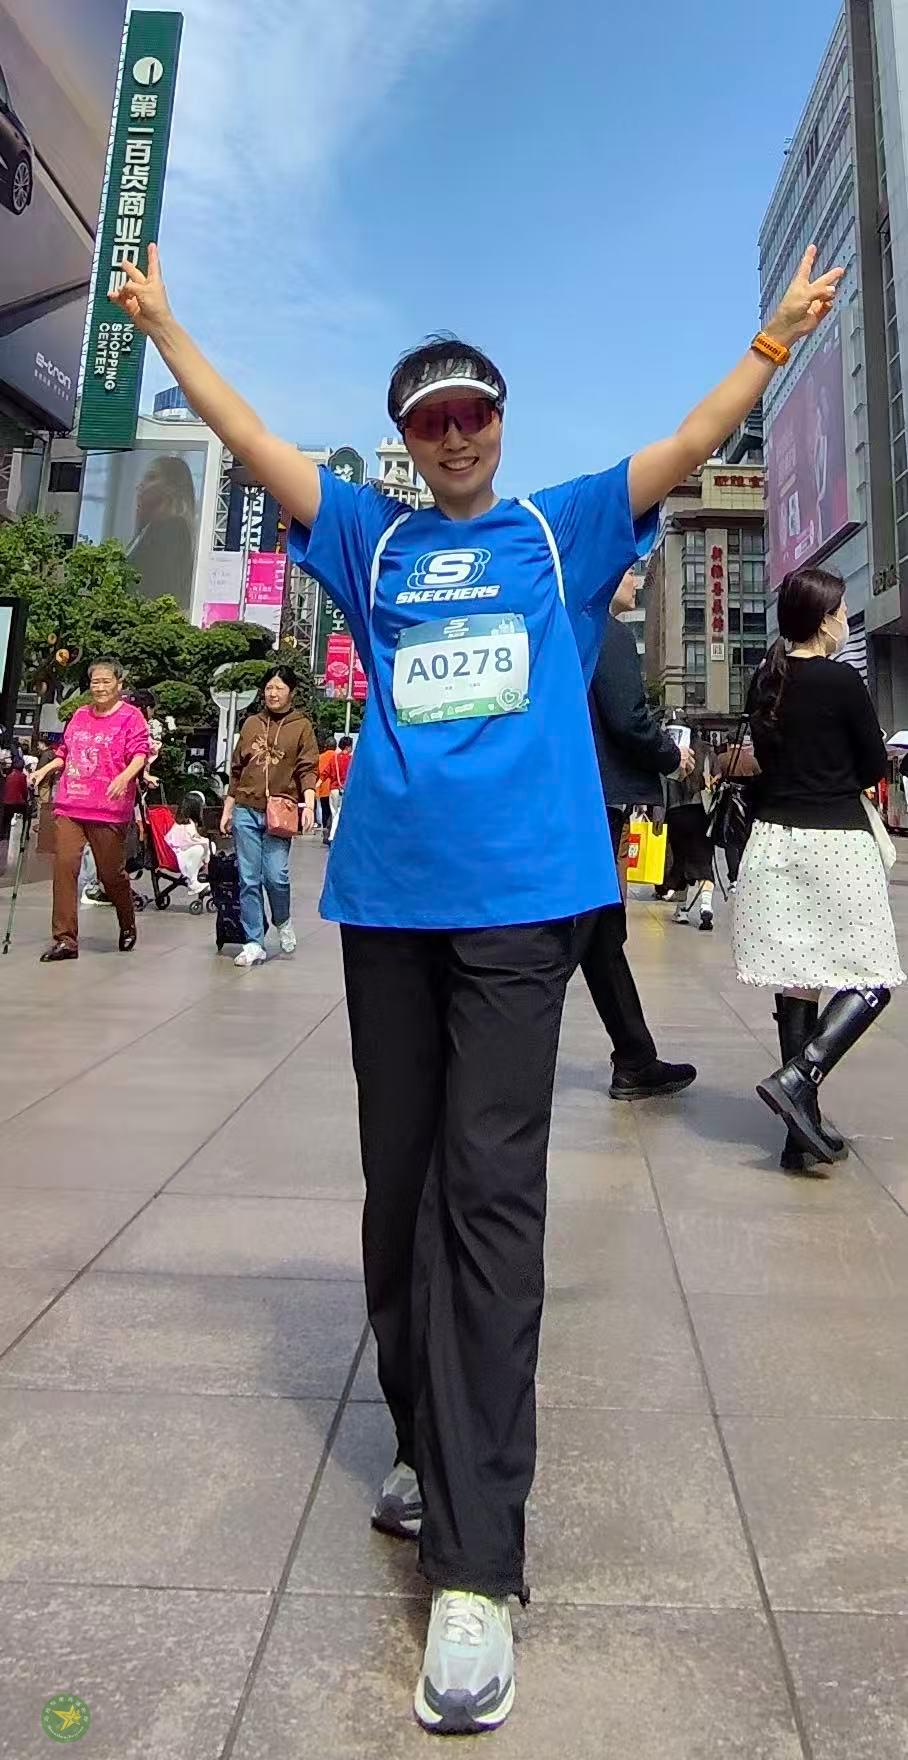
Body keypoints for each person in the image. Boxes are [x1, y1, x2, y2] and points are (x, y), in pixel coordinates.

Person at [112, 235, 843, 1736]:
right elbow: (249, 437)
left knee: (491, 1197)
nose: (454, 435)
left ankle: (476, 1562)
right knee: (399, 1194)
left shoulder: (562, 528)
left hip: (521, 912)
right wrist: (168, 330)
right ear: (408, 435)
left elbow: (690, 441)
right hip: (388, 906)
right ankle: (420, 1437)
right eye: (430, 418)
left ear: (501, 422)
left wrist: (772, 345)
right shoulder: (368, 540)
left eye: (473, 413)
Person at [733, 566, 904, 1171]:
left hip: (774, 843)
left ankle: (796, 1131)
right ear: (826, 620)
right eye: (841, 612)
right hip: (837, 844)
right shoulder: (841, 680)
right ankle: (800, 1076)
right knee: (873, 978)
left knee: (797, 980)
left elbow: (768, 760)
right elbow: (873, 765)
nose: (846, 621)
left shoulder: (767, 681)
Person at [577, 569, 697, 1099]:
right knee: (573, 934)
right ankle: (497, 1055)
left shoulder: (571, 627)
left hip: (577, 797)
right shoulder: (606, 632)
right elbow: (628, 719)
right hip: (595, 803)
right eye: (630, 570)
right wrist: (672, 755)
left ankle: (635, 1057)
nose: (638, 582)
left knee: (601, 935)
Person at [31, 659, 150, 961]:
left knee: (110, 875)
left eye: (106, 681)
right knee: (64, 867)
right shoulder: (80, 715)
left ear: (119, 684)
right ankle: (65, 940)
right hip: (71, 804)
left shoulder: (131, 717)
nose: (100, 687)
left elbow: (140, 754)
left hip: (108, 807)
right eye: (95, 682)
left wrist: (124, 777)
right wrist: (44, 770)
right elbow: (65, 753)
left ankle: (127, 920)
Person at [220, 665, 318, 966]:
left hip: (280, 812)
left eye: (279, 688)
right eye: (269, 688)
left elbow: (308, 768)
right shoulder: (251, 723)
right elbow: (237, 770)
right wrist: (228, 807)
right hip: (246, 809)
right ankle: (253, 942)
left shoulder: (301, 726)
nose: (273, 694)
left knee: (276, 876)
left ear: (291, 692)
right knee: (248, 878)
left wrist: (309, 805)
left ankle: (282, 919)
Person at [126, 454, 197, 612]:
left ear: (172, 486)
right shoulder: (153, 528)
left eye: (151, 478)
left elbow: (160, 584)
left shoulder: (172, 529)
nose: (141, 485)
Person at [667, 732, 716, 929]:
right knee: (704, 860)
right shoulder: (707, 752)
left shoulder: (674, 752)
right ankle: (706, 906)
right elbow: (717, 778)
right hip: (702, 812)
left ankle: (682, 909)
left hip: (677, 812)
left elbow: (665, 784)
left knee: (681, 859)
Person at [165, 791, 212, 893]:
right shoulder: (183, 825)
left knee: (209, 846)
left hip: (185, 853)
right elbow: (191, 841)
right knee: (199, 848)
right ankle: (193, 882)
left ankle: (201, 874)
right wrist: (206, 845)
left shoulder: (190, 822)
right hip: (179, 855)